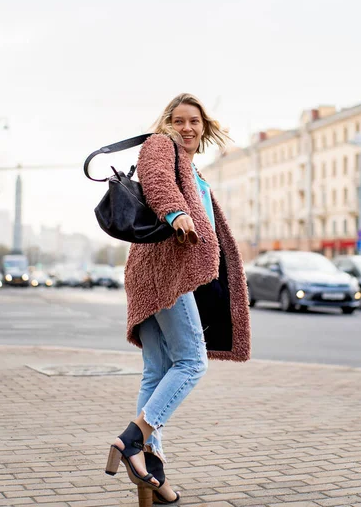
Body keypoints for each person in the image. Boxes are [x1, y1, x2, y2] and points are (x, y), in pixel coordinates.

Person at [105, 93, 251, 506]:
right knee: (192, 361)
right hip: (165, 272)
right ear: (167, 122)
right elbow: (156, 183)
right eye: (179, 120)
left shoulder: (191, 166)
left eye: (195, 122)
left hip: (153, 272)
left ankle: (150, 479)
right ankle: (132, 440)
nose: (187, 128)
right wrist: (176, 214)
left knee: (156, 374)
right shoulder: (160, 145)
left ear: (204, 128)